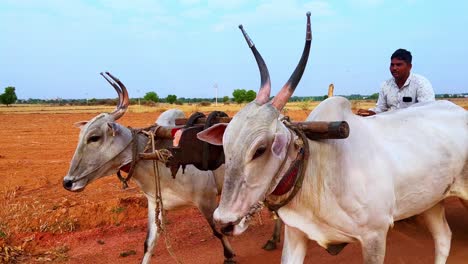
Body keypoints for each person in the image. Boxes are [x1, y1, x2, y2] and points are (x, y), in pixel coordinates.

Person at [357, 49, 435, 116]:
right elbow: (380, 109)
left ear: (409, 67)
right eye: (392, 65)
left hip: (415, 127)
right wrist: (369, 113)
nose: (394, 68)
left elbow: (427, 111)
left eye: (399, 65)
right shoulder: (385, 85)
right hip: (391, 127)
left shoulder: (421, 83)